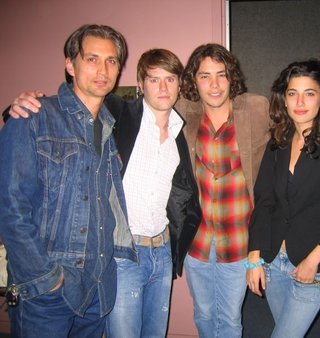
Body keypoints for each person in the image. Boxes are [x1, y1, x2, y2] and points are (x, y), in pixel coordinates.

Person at [5, 48, 202, 338]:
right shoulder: (120, 114)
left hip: (161, 252)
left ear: (179, 85)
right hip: (123, 253)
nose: (163, 87)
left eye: (170, 79)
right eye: (154, 79)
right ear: (140, 84)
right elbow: (73, 105)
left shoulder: (179, 130)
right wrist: (21, 106)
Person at [0, 24, 137, 337]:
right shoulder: (33, 117)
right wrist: (45, 276)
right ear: (70, 64)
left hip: (98, 285)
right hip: (49, 290)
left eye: (112, 61)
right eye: (92, 59)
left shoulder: (109, 126)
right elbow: (9, 206)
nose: (103, 69)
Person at [175, 43, 270, 337]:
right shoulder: (184, 112)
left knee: (229, 318)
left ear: (232, 77)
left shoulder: (255, 108)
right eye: (205, 76)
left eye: (221, 74)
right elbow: (133, 109)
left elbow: (301, 118)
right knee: (203, 314)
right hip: (198, 240)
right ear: (194, 81)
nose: (214, 85)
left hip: (238, 237)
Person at [246, 59, 320, 337]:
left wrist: (314, 259)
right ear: (284, 99)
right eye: (292, 93)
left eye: (309, 93)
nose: (300, 101)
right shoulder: (278, 140)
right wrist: (254, 255)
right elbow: (264, 199)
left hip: (313, 261)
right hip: (274, 259)